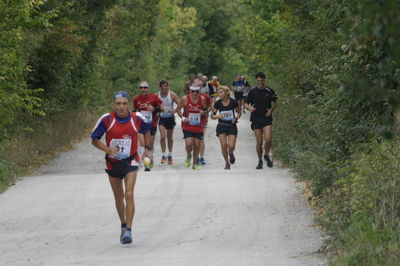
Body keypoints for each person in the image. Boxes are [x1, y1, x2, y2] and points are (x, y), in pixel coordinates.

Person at [91, 91, 150, 244]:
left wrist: (146, 150)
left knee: (129, 194)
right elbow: (94, 140)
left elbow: (146, 131)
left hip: (131, 161)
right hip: (112, 163)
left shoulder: (137, 118)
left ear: (128, 104)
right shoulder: (106, 119)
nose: (122, 107)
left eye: (124, 103)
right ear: (113, 105)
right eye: (118, 104)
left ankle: (129, 230)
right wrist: (108, 150)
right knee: (119, 197)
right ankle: (123, 225)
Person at [244, 72, 277, 169]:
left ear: (264, 80)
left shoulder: (269, 90)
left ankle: (266, 154)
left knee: (268, 139)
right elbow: (245, 104)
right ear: (256, 81)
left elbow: (275, 102)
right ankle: (260, 161)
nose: (260, 83)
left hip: (266, 117)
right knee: (259, 142)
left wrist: (271, 110)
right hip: (256, 118)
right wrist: (249, 108)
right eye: (258, 81)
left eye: (261, 81)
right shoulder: (252, 91)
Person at [133, 81, 163, 171]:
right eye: (141, 87)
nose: (143, 89)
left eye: (145, 87)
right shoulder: (136, 99)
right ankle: (145, 163)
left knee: (148, 145)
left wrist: (154, 109)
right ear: (139, 89)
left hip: (151, 124)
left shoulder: (153, 97)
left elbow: (162, 109)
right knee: (142, 143)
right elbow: (134, 110)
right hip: (141, 125)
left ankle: (149, 158)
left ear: (148, 88)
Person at [176, 85, 208, 170]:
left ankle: (195, 163)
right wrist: (183, 118)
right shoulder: (185, 99)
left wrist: (203, 112)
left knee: (197, 145)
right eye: (192, 91)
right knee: (189, 144)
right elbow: (178, 109)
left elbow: (206, 110)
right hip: (187, 126)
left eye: (197, 91)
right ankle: (188, 156)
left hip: (198, 126)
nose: (194, 93)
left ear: (199, 92)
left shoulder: (202, 99)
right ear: (190, 91)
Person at [211, 86, 241, 169]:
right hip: (221, 126)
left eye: (221, 92)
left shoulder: (233, 102)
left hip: (231, 126)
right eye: (218, 92)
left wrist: (235, 118)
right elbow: (212, 116)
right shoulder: (218, 103)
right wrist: (218, 116)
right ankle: (227, 162)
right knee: (224, 145)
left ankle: (230, 153)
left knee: (231, 146)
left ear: (226, 93)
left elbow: (239, 112)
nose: (219, 94)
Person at [157, 80, 180, 164]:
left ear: (168, 86)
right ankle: (163, 155)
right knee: (162, 136)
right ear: (160, 87)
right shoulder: (157, 95)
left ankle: (170, 154)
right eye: (162, 86)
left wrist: (174, 110)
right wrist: (158, 110)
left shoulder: (172, 95)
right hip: (162, 118)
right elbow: (152, 105)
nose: (164, 88)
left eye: (165, 86)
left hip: (170, 118)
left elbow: (180, 104)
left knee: (169, 137)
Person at [198, 75, 214, 165]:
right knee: (193, 140)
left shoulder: (204, 96)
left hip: (203, 119)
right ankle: (194, 156)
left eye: (200, 86)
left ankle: (201, 157)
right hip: (192, 121)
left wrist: (206, 112)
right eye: (196, 86)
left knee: (201, 138)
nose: (198, 88)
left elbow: (211, 105)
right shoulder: (188, 97)